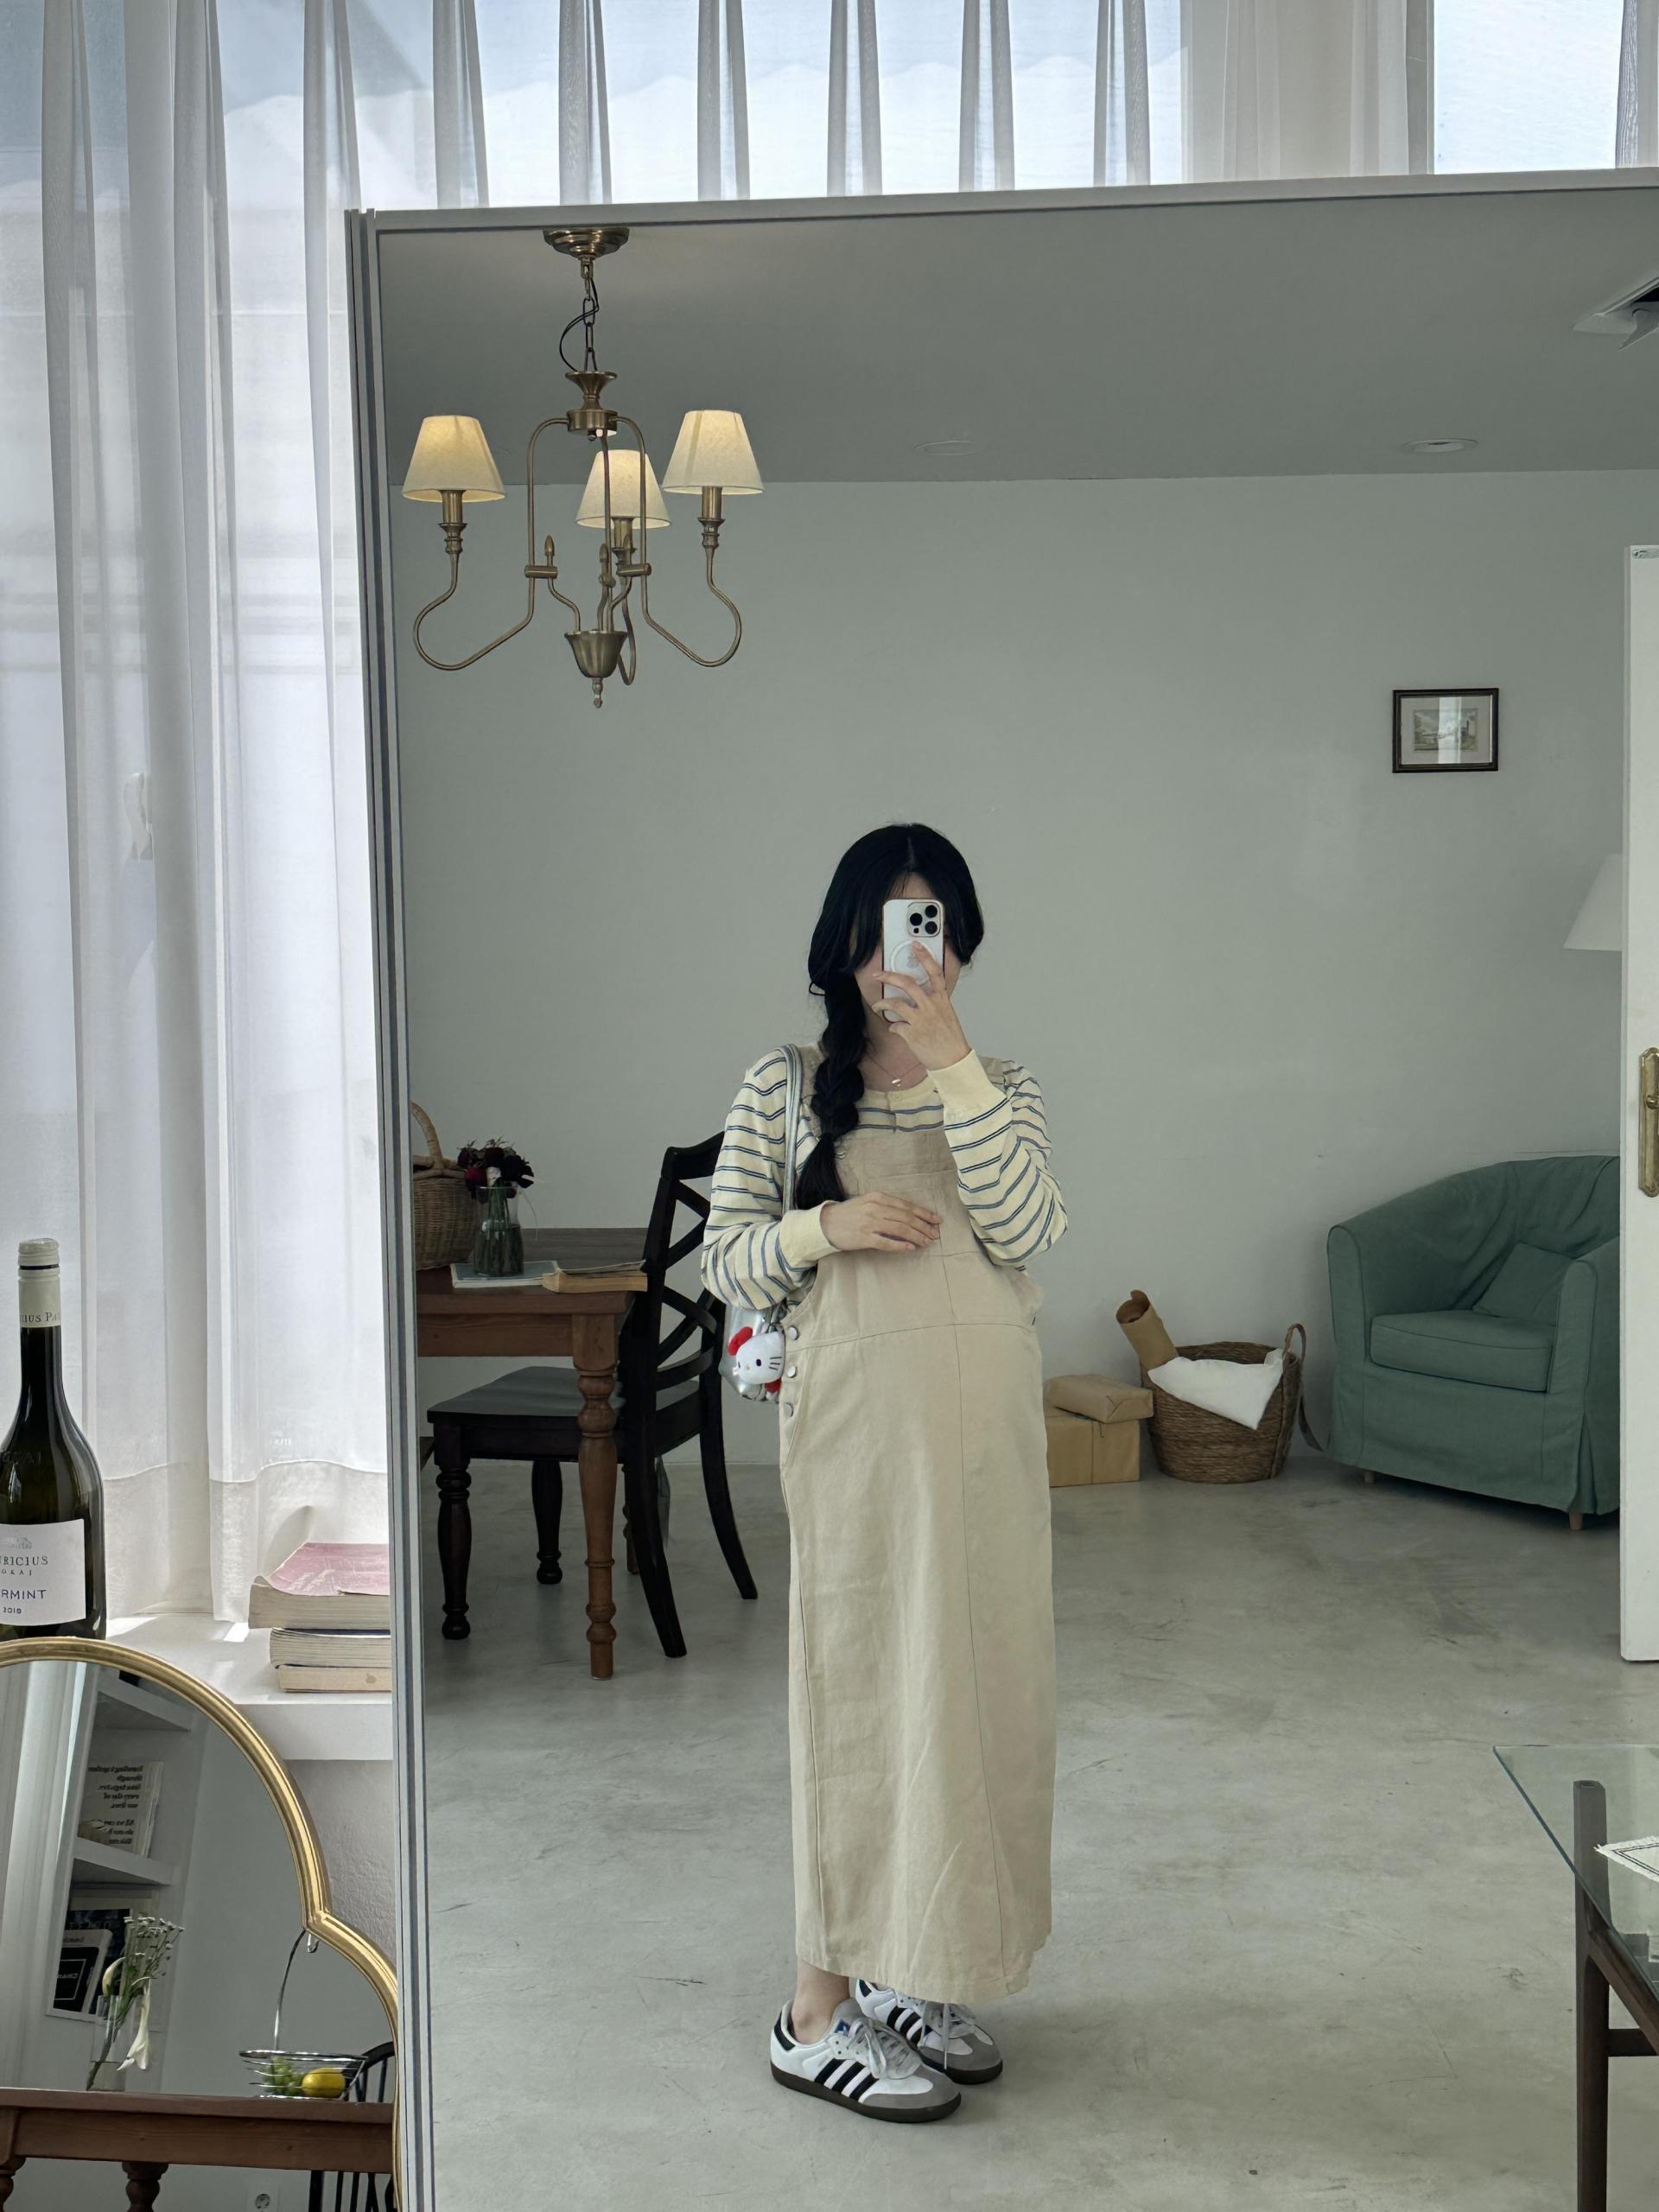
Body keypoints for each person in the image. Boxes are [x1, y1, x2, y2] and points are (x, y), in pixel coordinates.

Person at [701, 822, 1067, 2125]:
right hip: (859, 1436)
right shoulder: (786, 1084)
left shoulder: (1001, 1086)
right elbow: (723, 1259)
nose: (907, 955)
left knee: (976, 1697)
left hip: (985, 1439)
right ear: (845, 944)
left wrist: (956, 1066)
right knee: (858, 1696)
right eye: (886, 928)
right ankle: (814, 2012)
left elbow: (1028, 1227)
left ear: (960, 945)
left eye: (932, 926)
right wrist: (827, 1225)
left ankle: (909, 1968)